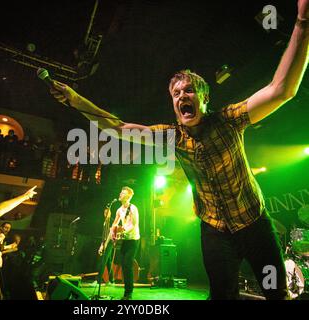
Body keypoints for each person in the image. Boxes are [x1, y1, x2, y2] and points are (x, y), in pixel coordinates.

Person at [50, 1, 309, 300]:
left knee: (276, 292)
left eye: (188, 91)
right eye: (176, 93)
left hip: (253, 222)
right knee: (222, 296)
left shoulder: (228, 120)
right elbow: (117, 128)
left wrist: (302, 23)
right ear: (173, 104)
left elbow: (281, 89)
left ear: (204, 97)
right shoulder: (172, 136)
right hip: (214, 230)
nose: (182, 96)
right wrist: (74, 98)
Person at [109, 187, 140, 300]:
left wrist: (122, 232)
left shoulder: (133, 208)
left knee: (127, 264)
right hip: (125, 240)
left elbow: (134, 225)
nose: (120, 194)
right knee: (123, 264)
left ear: (128, 196)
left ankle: (129, 293)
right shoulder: (119, 210)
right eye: (121, 192)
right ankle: (126, 292)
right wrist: (112, 231)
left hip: (133, 240)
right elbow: (115, 223)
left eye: (123, 193)